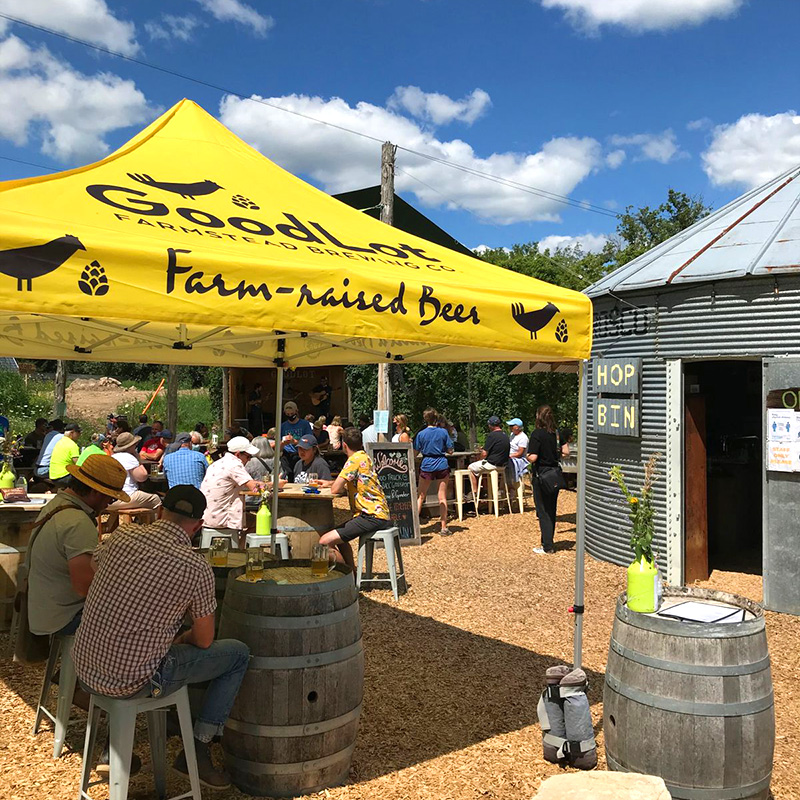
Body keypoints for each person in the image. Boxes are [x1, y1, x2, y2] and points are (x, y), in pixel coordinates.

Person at [72, 485, 250, 789]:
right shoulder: (195, 566)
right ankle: (198, 747)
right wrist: (180, 637)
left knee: (142, 642)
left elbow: (96, 567)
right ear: (198, 527)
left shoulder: (120, 537)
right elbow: (205, 640)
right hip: (133, 682)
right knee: (237, 655)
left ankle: (113, 748)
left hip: (85, 670)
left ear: (158, 512)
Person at [28, 454, 129, 638]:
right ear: (95, 492)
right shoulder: (77, 522)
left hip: (45, 608)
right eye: (111, 498)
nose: (109, 504)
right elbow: (85, 587)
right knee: (142, 617)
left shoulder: (57, 504)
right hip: (63, 617)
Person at [318, 427, 392, 572]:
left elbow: (336, 490)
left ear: (344, 445)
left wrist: (332, 485)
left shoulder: (353, 460)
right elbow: (352, 481)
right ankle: (351, 571)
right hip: (378, 513)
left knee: (324, 542)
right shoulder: (364, 456)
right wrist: (329, 482)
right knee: (340, 539)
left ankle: (347, 575)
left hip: (370, 516)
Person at [201, 436, 269, 546]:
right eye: (248, 456)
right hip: (222, 517)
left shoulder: (217, 463)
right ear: (238, 454)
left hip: (208, 514)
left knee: (252, 520)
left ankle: (239, 548)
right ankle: (240, 551)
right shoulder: (234, 464)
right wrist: (274, 484)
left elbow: (241, 484)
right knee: (261, 522)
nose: (249, 460)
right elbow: (255, 488)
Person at [527, 405, 570, 555]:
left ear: (538, 417)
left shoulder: (537, 434)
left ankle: (547, 546)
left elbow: (533, 457)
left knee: (542, 511)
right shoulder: (557, 434)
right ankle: (548, 542)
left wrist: (526, 457)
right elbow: (566, 452)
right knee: (551, 509)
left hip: (541, 475)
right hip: (554, 475)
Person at [414, 408, 454, 535]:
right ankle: (443, 527)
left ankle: (414, 527)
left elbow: (415, 453)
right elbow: (450, 450)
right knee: (442, 496)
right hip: (441, 464)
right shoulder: (443, 432)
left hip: (427, 464)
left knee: (420, 496)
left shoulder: (421, 434)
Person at [109, 431, 162, 511]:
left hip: (110, 498)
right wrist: (138, 459)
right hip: (125, 496)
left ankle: (139, 520)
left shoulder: (112, 457)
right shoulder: (129, 457)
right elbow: (142, 477)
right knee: (155, 499)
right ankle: (152, 522)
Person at [468, 416, 510, 500]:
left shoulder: (492, 435)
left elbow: (484, 453)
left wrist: (479, 458)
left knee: (471, 467)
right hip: (503, 465)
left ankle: (475, 492)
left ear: (490, 425)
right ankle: (486, 490)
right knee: (481, 468)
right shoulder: (505, 435)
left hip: (492, 464)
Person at [280, 401, 312, 476]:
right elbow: (279, 444)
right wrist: (283, 443)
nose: (290, 416)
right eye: (288, 414)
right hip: (287, 455)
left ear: (296, 411)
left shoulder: (304, 424)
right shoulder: (283, 426)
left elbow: (309, 441)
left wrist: (295, 442)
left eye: (291, 414)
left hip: (300, 454)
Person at [506, 417, 530, 483]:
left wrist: (509, 455)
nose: (509, 427)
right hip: (510, 456)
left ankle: (512, 484)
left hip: (519, 459)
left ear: (517, 427)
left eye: (511, 426)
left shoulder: (523, 438)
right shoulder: (512, 435)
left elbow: (520, 453)